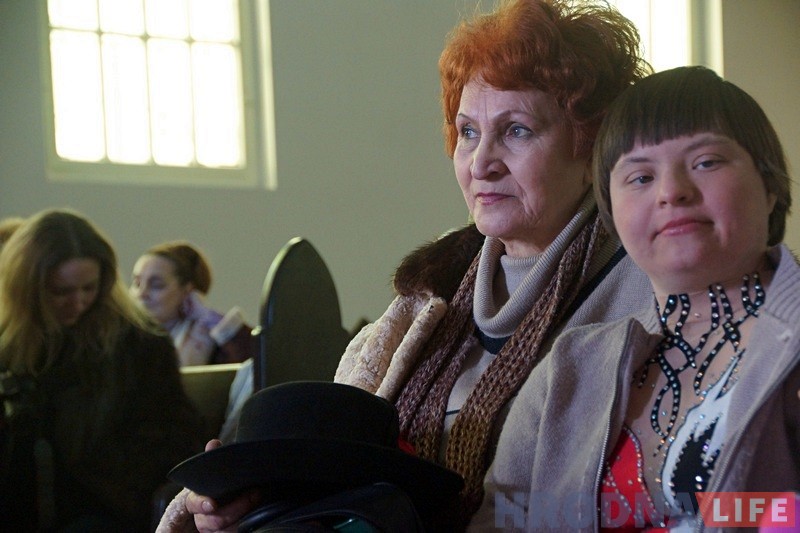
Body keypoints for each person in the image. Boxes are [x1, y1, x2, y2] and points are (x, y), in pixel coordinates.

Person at [158, 1, 654, 530]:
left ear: (593, 148)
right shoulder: (430, 292)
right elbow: (336, 468)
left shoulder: (644, 292)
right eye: (468, 132)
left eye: (517, 131)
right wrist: (248, 503)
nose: (481, 163)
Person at [471, 66, 800, 530]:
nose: (672, 192)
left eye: (706, 162)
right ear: (611, 211)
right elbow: (502, 520)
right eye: (641, 177)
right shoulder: (569, 367)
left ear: (770, 187)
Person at [0, 208, 204, 532]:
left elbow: (173, 437)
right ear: (28, 288)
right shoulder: (9, 347)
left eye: (89, 288)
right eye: (61, 291)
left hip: (104, 511)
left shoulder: (138, 344)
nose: (78, 302)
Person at [131, 240, 257, 366]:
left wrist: (210, 317)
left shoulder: (208, 342)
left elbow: (258, 361)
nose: (141, 294)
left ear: (187, 292)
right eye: (137, 283)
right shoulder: (126, 338)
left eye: (156, 285)